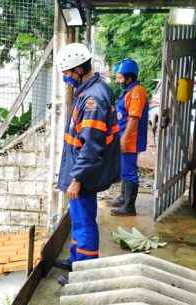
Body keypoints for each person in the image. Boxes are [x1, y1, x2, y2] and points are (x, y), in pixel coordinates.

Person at [53, 43, 121, 276]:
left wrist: (77, 178)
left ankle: (84, 270)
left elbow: (91, 146)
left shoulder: (93, 99)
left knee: (84, 222)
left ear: (80, 69)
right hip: (81, 170)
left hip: (84, 173)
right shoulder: (91, 90)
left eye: (67, 74)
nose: (66, 79)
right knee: (78, 217)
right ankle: (76, 260)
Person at [108, 58, 148, 217]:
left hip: (131, 139)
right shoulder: (129, 91)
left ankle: (129, 207)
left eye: (120, 78)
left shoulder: (136, 92)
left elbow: (134, 118)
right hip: (125, 137)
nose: (118, 81)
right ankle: (123, 198)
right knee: (124, 169)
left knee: (129, 171)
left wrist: (124, 139)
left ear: (129, 77)